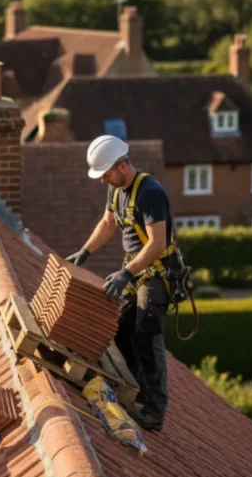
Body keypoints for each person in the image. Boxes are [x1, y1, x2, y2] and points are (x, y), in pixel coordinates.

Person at [66, 135, 177, 433]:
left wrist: (126, 274)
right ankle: (138, 389)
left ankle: (154, 411)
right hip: (134, 268)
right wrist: (86, 250)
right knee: (121, 329)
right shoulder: (117, 191)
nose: (103, 181)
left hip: (155, 273)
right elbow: (107, 223)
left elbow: (156, 243)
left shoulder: (150, 193)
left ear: (122, 165)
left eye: (106, 174)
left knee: (146, 336)